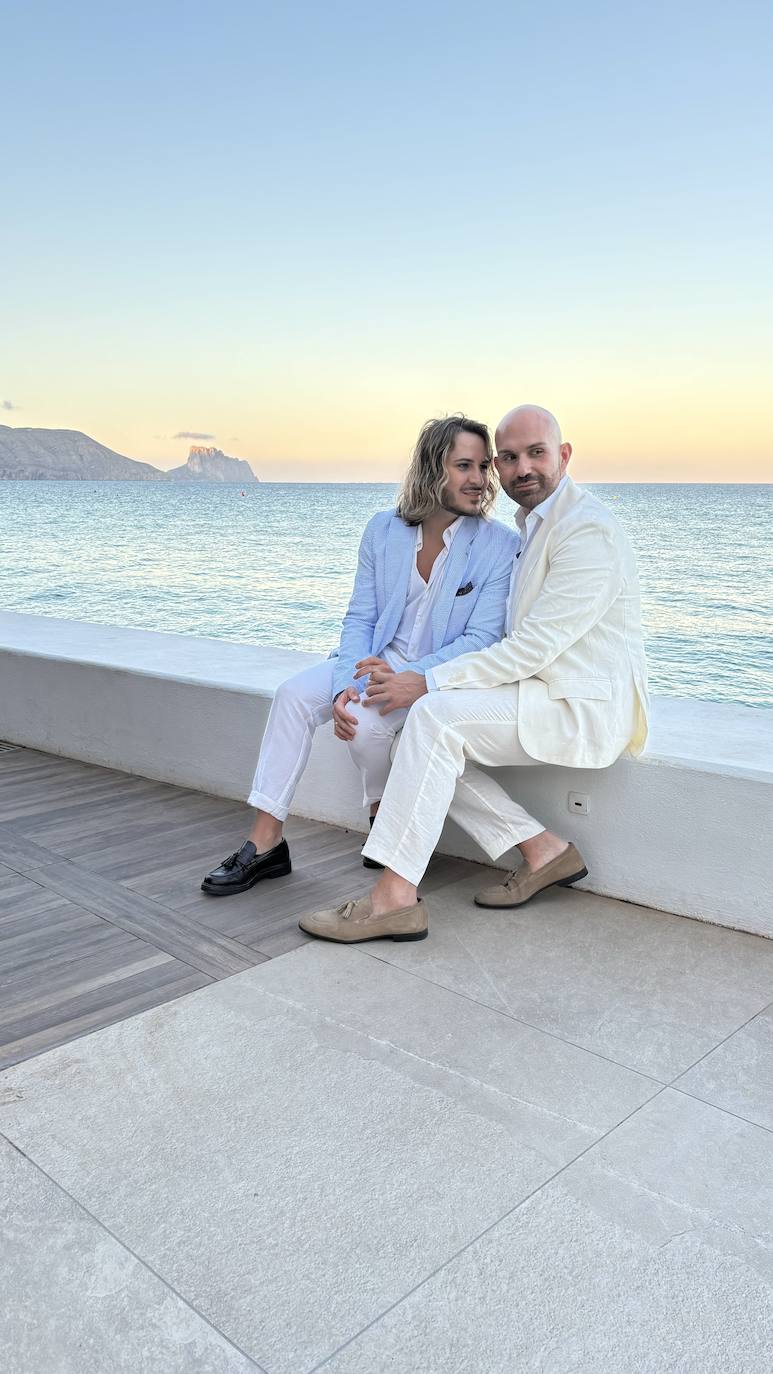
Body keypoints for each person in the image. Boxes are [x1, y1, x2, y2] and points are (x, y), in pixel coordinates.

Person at [299, 404, 649, 944]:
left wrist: (427, 680)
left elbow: (530, 647)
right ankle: (543, 850)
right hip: (539, 689)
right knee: (423, 732)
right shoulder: (535, 524)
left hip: (577, 706)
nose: (520, 469)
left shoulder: (585, 532)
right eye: (507, 458)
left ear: (565, 455)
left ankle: (393, 897)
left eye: (536, 453)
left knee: (432, 717)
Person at [201, 414, 518, 897]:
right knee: (291, 696)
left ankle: (381, 815)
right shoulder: (382, 530)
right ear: (433, 469)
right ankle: (265, 844)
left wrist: (405, 675)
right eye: (463, 466)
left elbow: (479, 640)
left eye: (482, 467)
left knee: (368, 728)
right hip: (369, 661)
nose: (478, 480)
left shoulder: (500, 546)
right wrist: (346, 684)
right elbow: (360, 618)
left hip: (431, 677)